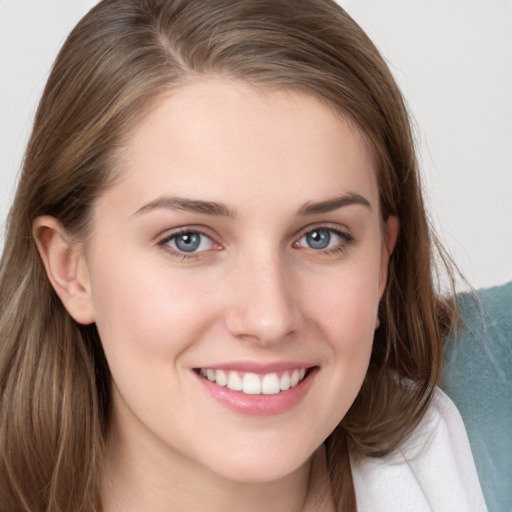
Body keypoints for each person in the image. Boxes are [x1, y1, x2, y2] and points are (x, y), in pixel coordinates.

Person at [0, 1, 487, 511]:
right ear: (70, 270)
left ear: (383, 261)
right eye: (188, 239)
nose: (269, 318)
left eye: (321, 237)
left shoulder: (481, 452)